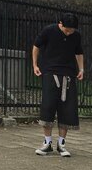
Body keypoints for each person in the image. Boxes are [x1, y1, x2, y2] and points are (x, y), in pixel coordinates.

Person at [31, 12, 84, 156]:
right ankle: (47, 143)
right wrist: (35, 65)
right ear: (60, 24)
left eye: (71, 30)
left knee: (67, 108)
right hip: (50, 73)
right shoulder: (49, 31)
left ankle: (61, 144)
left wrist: (81, 69)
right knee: (48, 106)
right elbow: (36, 46)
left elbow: (79, 52)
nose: (69, 32)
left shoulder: (76, 36)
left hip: (69, 75)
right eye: (67, 29)